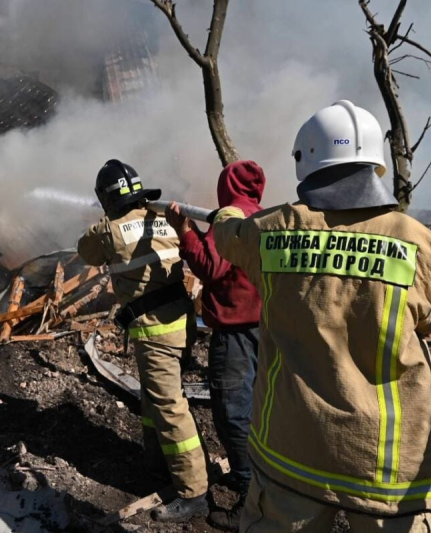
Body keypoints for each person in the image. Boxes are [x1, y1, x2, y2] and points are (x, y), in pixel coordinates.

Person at [212, 101, 431, 532]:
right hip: (390, 467)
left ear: (304, 161)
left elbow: (226, 236)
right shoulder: (415, 240)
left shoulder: (272, 230)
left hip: (293, 453)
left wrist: (230, 209)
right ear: (375, 163)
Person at [77, 159, 209, 522]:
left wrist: (105, 221)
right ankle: (158, 463)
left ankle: (193, 491)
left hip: (156, 333)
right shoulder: (162, 216)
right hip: (182, 323)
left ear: (105, 198)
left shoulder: (108, 230)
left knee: (169, 407)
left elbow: (84, 250)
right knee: (153, 398)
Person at [165, 160, 265, 531]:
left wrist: (185, 231)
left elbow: (210, 267)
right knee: (260, 409)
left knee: (233, 412)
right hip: (267, 330)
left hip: (236, 333)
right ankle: (263, 480)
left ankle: (250, 494)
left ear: (226, 187)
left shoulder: (230, 218)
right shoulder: (263, 215)